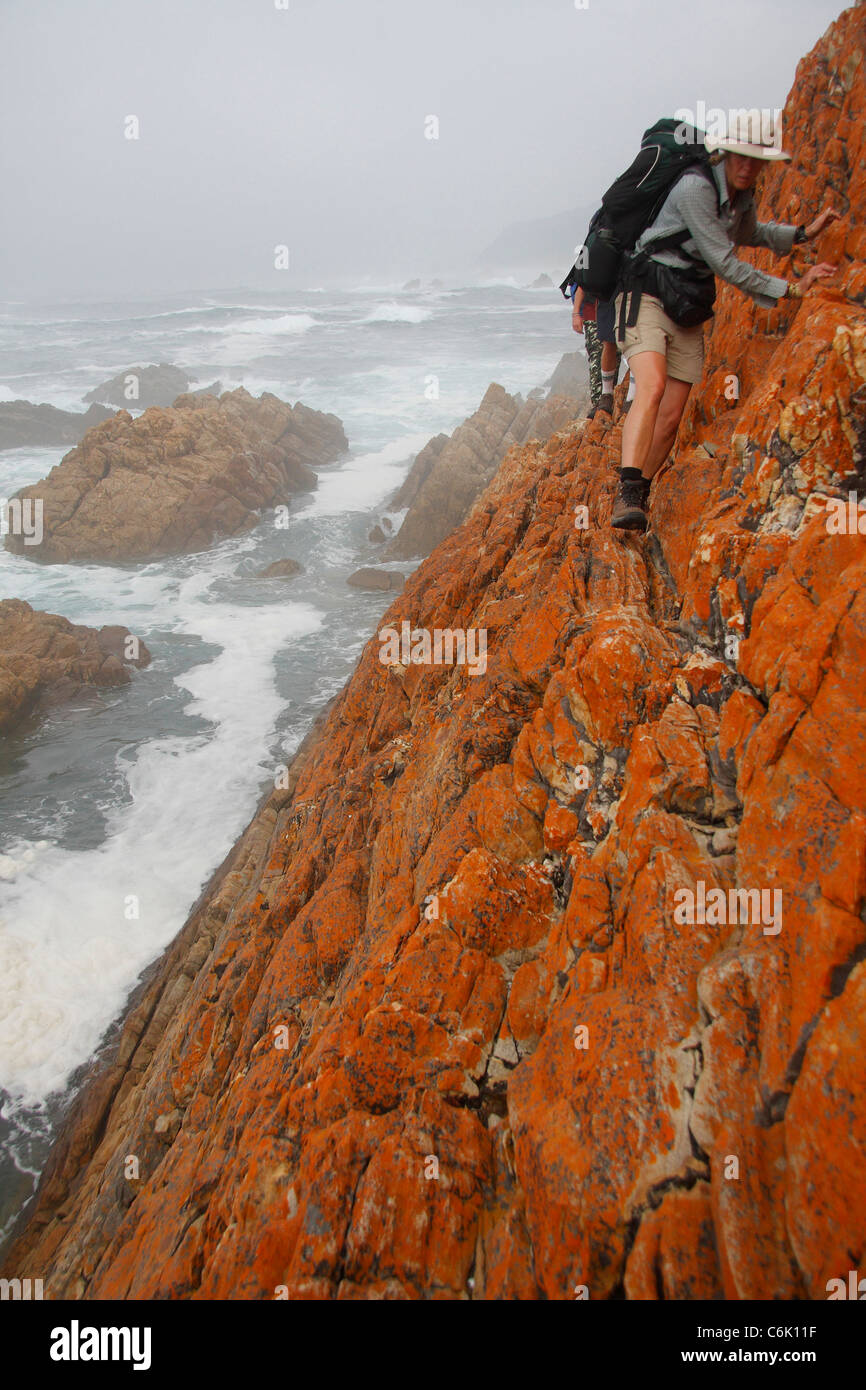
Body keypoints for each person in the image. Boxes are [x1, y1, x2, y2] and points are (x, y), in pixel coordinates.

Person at [609, 111, 838, 531]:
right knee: (653, 385)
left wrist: (802, 233)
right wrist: (792, 289)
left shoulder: (739, 197)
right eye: (740, 157)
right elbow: (726, 262)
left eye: (756, 160)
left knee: (672, 417)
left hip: (687, 303)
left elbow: (749, 234)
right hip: (645, 292)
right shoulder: (696, 188)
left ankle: (636, 495)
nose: (748, 166)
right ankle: (626, 491)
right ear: (724, 154)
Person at [572, 284, 621, 416]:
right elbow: (582, 283)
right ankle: (599, 404)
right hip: (593, 313)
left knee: (614, 354)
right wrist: (576, 313)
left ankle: (606, 399)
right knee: (597, 357)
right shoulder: (588, 263)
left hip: (614, 310)